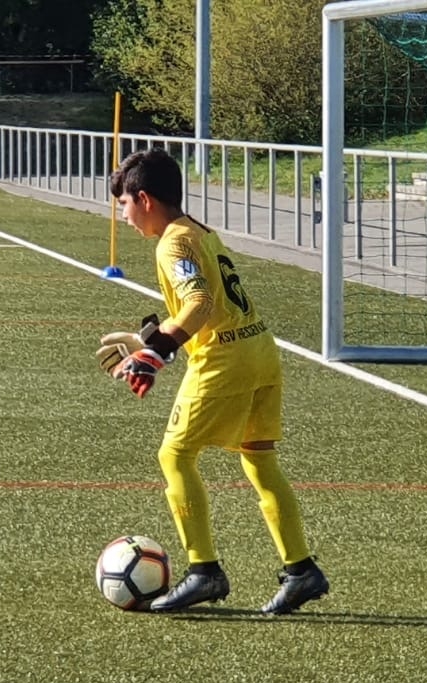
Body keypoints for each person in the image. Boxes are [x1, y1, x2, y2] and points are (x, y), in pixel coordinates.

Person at [96, 148, 329, 615]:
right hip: (260, 350)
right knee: (259, 461)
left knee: (175, 455)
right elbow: (212, 302)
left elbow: (200, 303)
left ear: (145, 199)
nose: (123, 216)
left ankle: (204, 571)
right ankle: (301, 570)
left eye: (123, 204)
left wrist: (156, 353)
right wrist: (149, 338)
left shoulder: (172, 243)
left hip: (225, 360)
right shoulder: (198, 231)